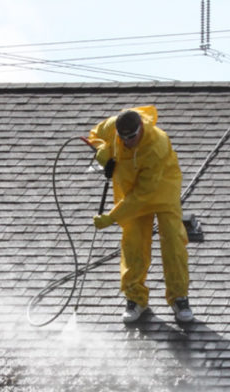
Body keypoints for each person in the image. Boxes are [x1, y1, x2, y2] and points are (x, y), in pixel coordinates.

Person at [83, 106, 194, 324]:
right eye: (122, 138)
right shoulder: (113, 126)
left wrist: (111, 217)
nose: (127, 143)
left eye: (132, 137)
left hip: (162, 190)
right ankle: (136, 298)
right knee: (133, 242)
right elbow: (95, 134)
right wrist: (101, 148)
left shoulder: (156, 144)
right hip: (129, 190)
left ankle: (179, 297)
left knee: (172, 240)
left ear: (140, 129)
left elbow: (142, 195)